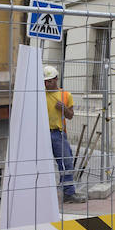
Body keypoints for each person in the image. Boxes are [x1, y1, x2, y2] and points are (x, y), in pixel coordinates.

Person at [43, 64, 79, 203]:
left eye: (50, 81)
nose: (47, 84)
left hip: (57, 134)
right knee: (39, 164)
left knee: (66, 163)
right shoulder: (39, 93)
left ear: (56, 79)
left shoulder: (65, 95)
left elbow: (70, 116)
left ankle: (69, 194)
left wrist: (64, 109)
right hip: (41, 134)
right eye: (45, 81)